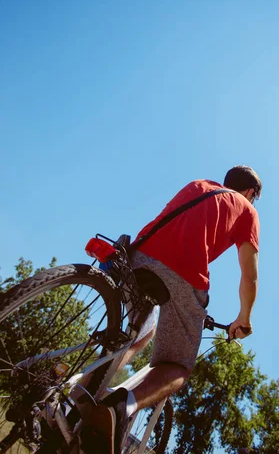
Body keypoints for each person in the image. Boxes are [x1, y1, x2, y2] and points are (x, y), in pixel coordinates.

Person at [81, 165, 261, 454]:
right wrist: (244, 317)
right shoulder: (247, 210)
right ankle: (119, 407)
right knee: (177, 367)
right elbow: (249, 276)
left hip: (138, 256)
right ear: (251, 192)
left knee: (139, 333)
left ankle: (83, 387)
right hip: (184, 274)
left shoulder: (199, 184)